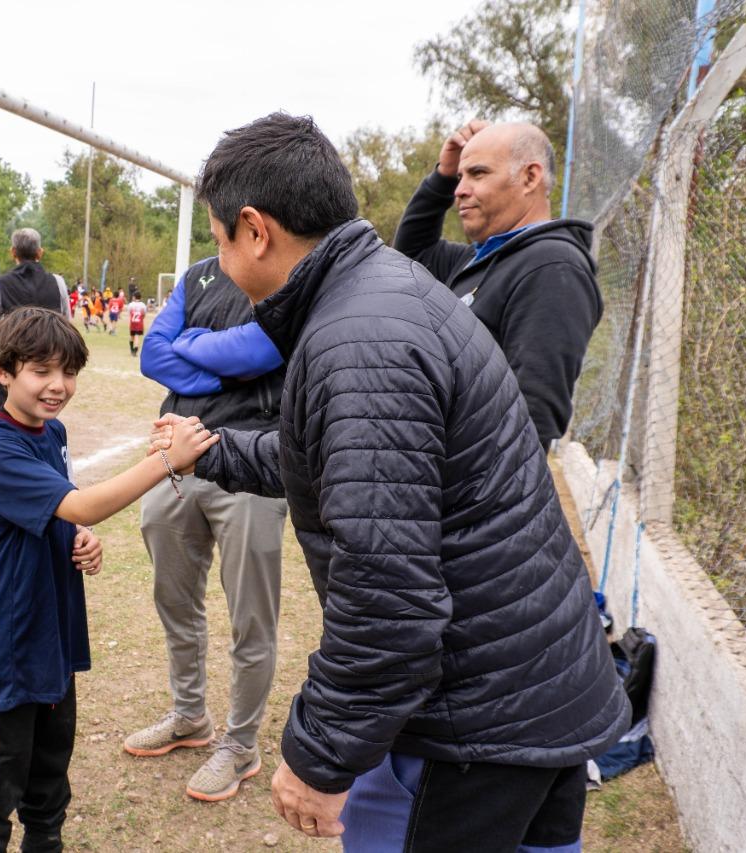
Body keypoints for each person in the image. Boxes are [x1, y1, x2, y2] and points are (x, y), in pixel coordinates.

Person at [153, 113, 627, 850]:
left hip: (475, 723)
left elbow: (390, 594)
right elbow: (357, 468)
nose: (220, 261)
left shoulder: (357, 338)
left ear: (253, 230)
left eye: (216, 241)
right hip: (527, 692)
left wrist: (319, 755)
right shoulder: (375, 298)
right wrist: (212, 451)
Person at [0, 306, 218, 851]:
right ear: (3, 371)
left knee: (50, 773)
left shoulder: (51, 432)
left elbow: (62, 511)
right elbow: (83, 504)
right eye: (40, 371)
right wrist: (166, 462)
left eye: (69, 372)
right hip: (5, 635)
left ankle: (45, 838)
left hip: (52, 625)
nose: (58, 386)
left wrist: (78, 539)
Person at [130, 256, 288, 802]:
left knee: (251, 614)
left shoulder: (291, 266)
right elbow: (153, 353)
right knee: (174, 597)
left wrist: (192, 345)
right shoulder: (199, 271)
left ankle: (241, 743)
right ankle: (189, 716)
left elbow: (265, 351)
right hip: (180, 452)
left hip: (255, 460)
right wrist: (228, 370)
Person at [393, 120, 602, 450]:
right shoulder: (480, 259)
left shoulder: (552, 266)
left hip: (474, 496)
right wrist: (442, 174)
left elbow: (530, 422)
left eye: (477, 174)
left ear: (529, 177)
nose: (459, 190)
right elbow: (413, 254)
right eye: (460, 178)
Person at [0, 228, 71, 333]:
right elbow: (66, 322)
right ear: (40, 252)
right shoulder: (58, 282)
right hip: (49, 347)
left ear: (13, 252)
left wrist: (14, 328)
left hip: (14, 347)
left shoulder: (1, 283)